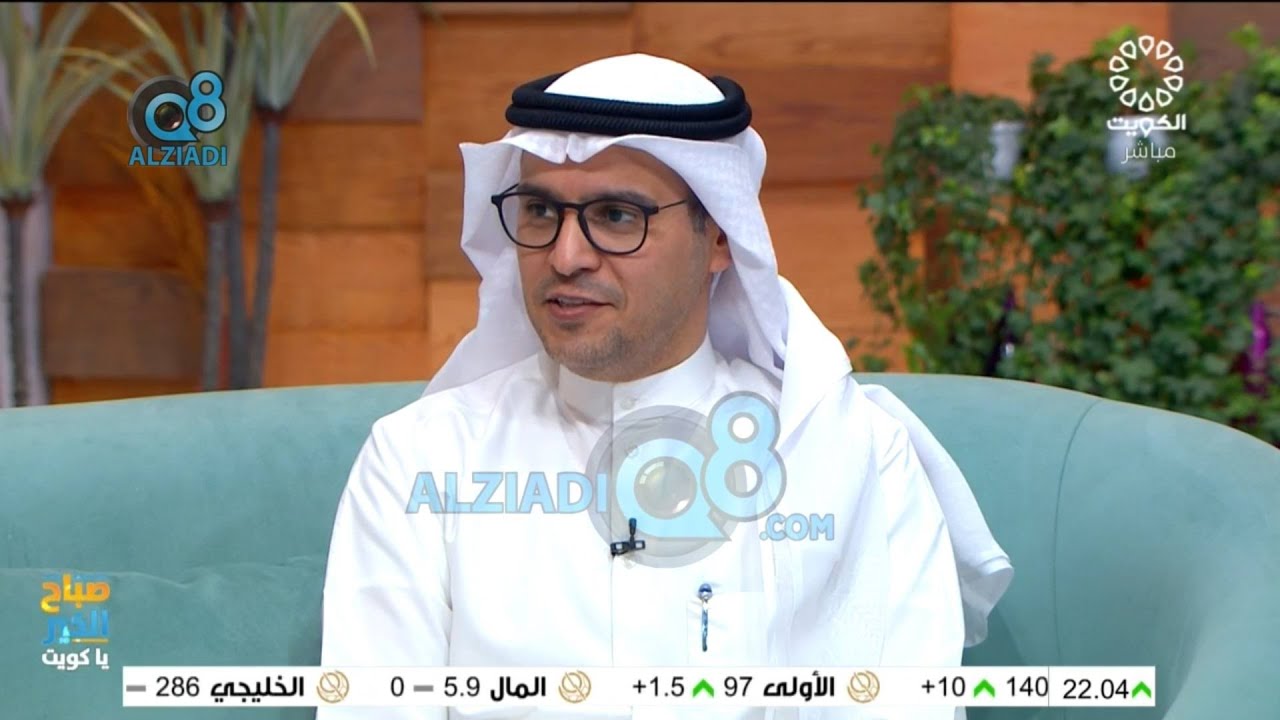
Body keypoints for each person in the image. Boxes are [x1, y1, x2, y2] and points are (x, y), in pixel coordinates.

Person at [319, 53, 1012, 719]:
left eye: (617, 216)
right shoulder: (418, 460)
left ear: (721, 237)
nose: (566, 256)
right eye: (540, 212)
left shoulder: (854, 458)